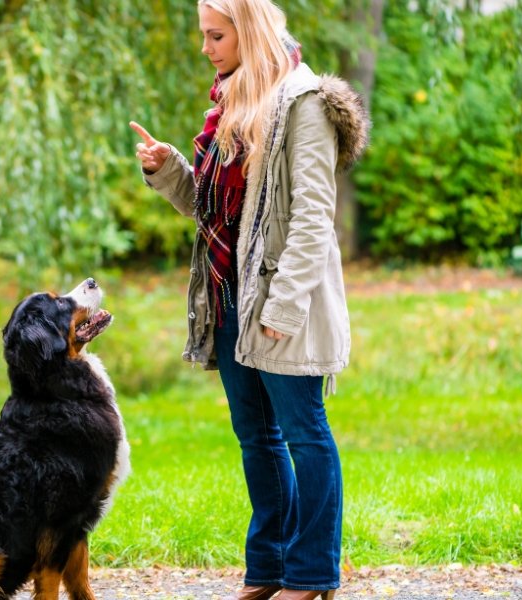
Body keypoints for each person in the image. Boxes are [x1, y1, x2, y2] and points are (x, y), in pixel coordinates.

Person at [130, 1, 370, 599]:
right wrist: (170, 170)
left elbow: (315, 218)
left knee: (303, 430)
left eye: (216, 35)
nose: (206, 48)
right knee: (256, 436)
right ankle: (268, 569)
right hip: (228, 294)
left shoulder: (303, 102)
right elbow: (216, 212)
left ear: (250, 30)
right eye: (204, 36)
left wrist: (283, 307)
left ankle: (312, 573)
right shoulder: (231, 103)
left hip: (282, 299)